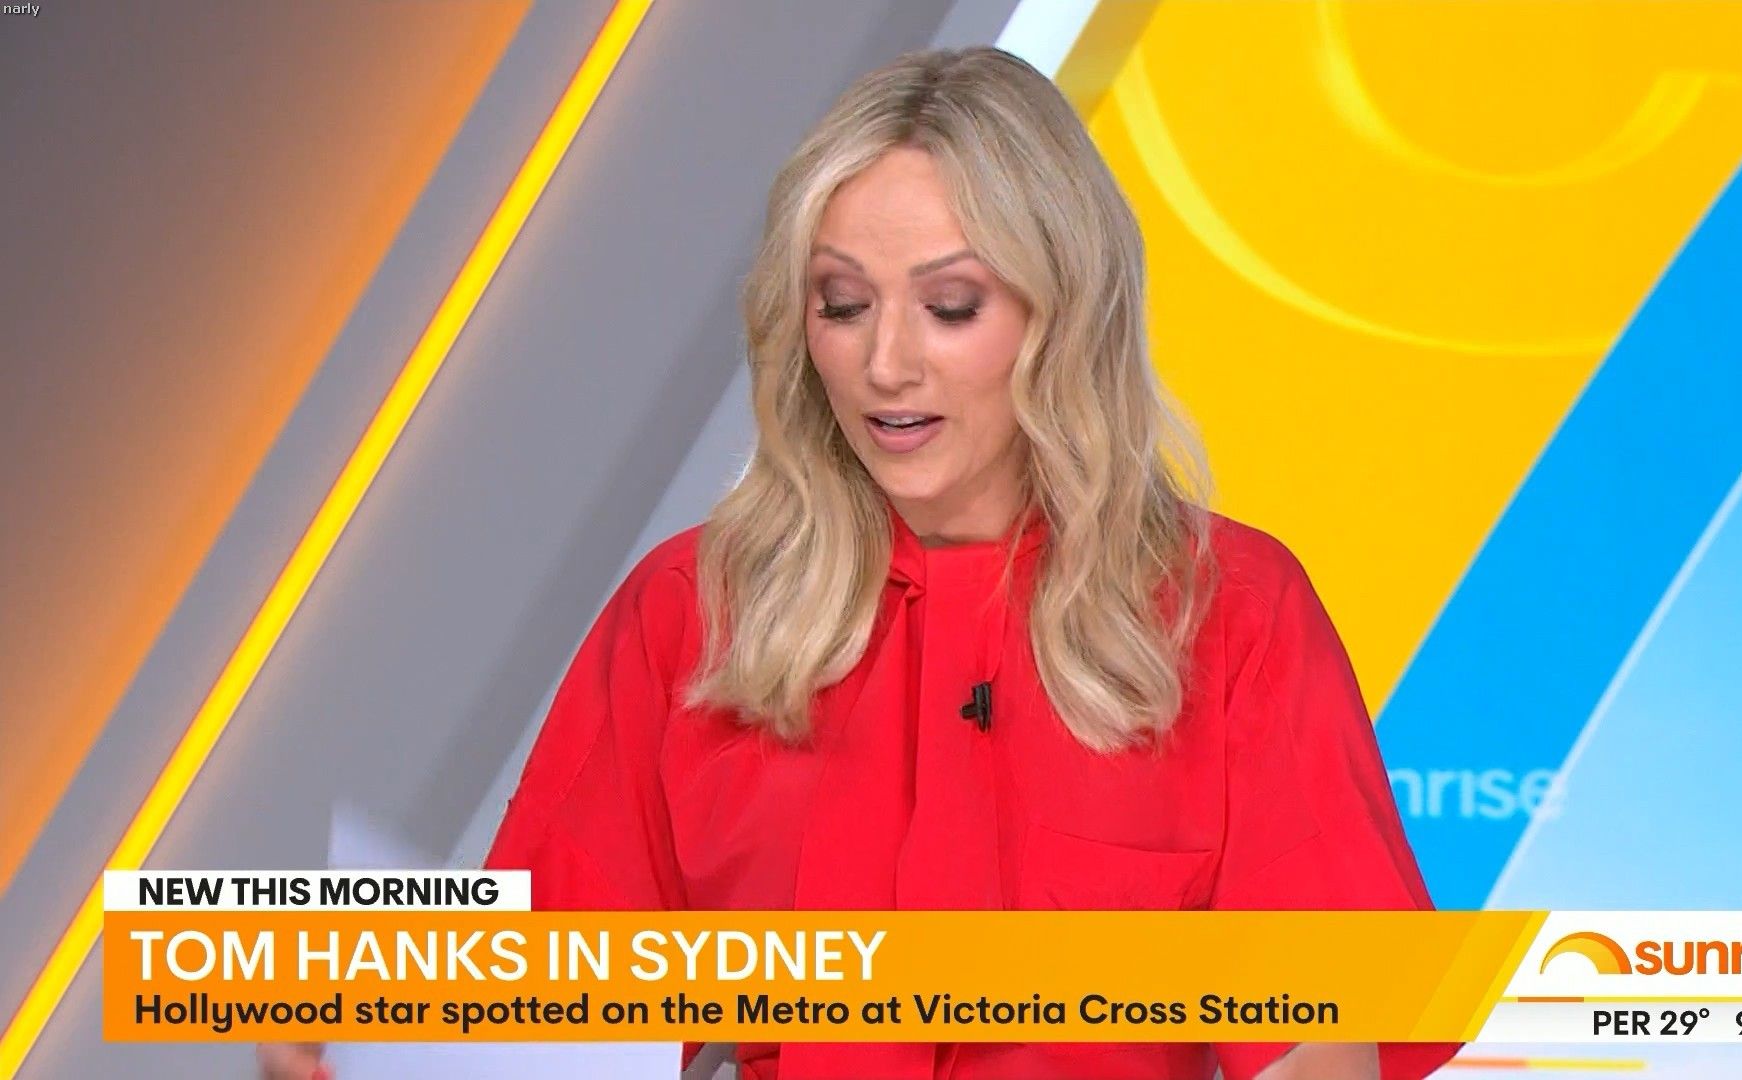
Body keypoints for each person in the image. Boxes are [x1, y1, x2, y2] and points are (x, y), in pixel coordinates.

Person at [264, 45, 1456, 1080]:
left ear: (1063, 314)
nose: (886, 365)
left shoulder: (1230, 613)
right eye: (842, 305)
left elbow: (1323, 1043)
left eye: (950, 307)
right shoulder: (689, 614)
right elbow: (539, 1027)